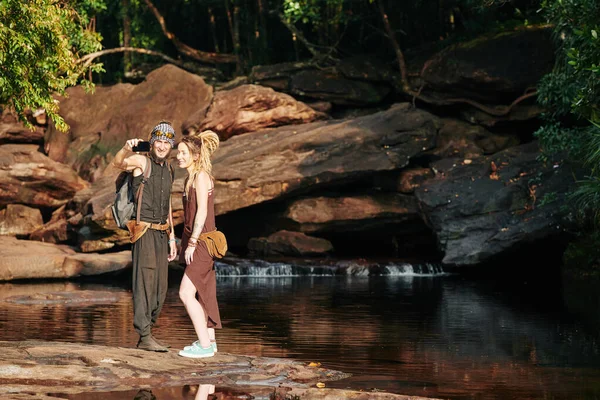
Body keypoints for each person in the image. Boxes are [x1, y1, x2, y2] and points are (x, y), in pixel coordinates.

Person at [112, 121, 178, 352]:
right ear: (152, 142)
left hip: (162, 234)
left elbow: (168, 203)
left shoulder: (169, 169)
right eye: (158, 141)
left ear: (171, 146)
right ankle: (144, 334)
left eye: (166, 142)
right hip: (143, 232)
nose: (161, 146)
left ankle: (148, 332)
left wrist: (172, 237)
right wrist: (125, 148)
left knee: (160, 288)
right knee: (144, 284)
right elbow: (118, 163)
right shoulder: (142, 162)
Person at [176, 131, 222, 358]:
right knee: (203, 291)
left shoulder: (202, 177)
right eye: (179, 153)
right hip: (193, 242)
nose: (179, 157)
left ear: (195, 155)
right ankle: (210, 341)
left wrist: (193, 243)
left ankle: (204, 346)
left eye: (183, 153)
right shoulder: (189, 178)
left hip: (202, 243)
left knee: (185, 293)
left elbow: (202, 212)